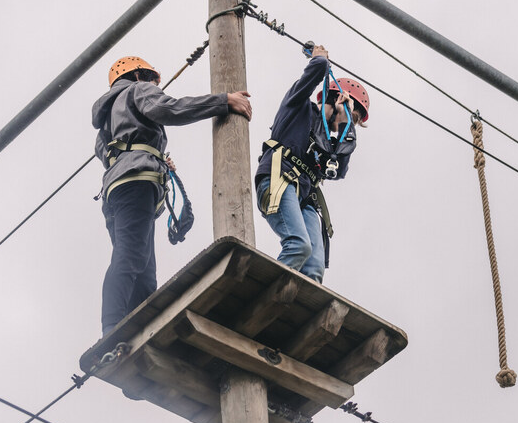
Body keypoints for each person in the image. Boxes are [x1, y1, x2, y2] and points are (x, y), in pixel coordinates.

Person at [93, 56, 252, 336]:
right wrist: (223, 101)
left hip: (115, 189)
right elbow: (170, 109)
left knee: (142, 270)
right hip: (137, 181)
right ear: (138, 75)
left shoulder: (106, 119)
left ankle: (133, 333)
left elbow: (114, 152)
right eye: (153, 80)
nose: (156, 86)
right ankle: (111, 328)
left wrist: (156, 160)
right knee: (131, 257)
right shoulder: (137, 89)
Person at [255, 45, 369, 283]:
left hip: (305, 198)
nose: (346, 123)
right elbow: (315, 72)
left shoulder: (326, 143)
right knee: (298, 245)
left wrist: (345, 122)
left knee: (314, 267)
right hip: (279, 179)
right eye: (350, 117)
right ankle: (259, 295)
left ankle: (291, 303)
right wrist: (320, 60)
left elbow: (339, 170)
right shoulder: (298, 107)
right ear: (337, 99)